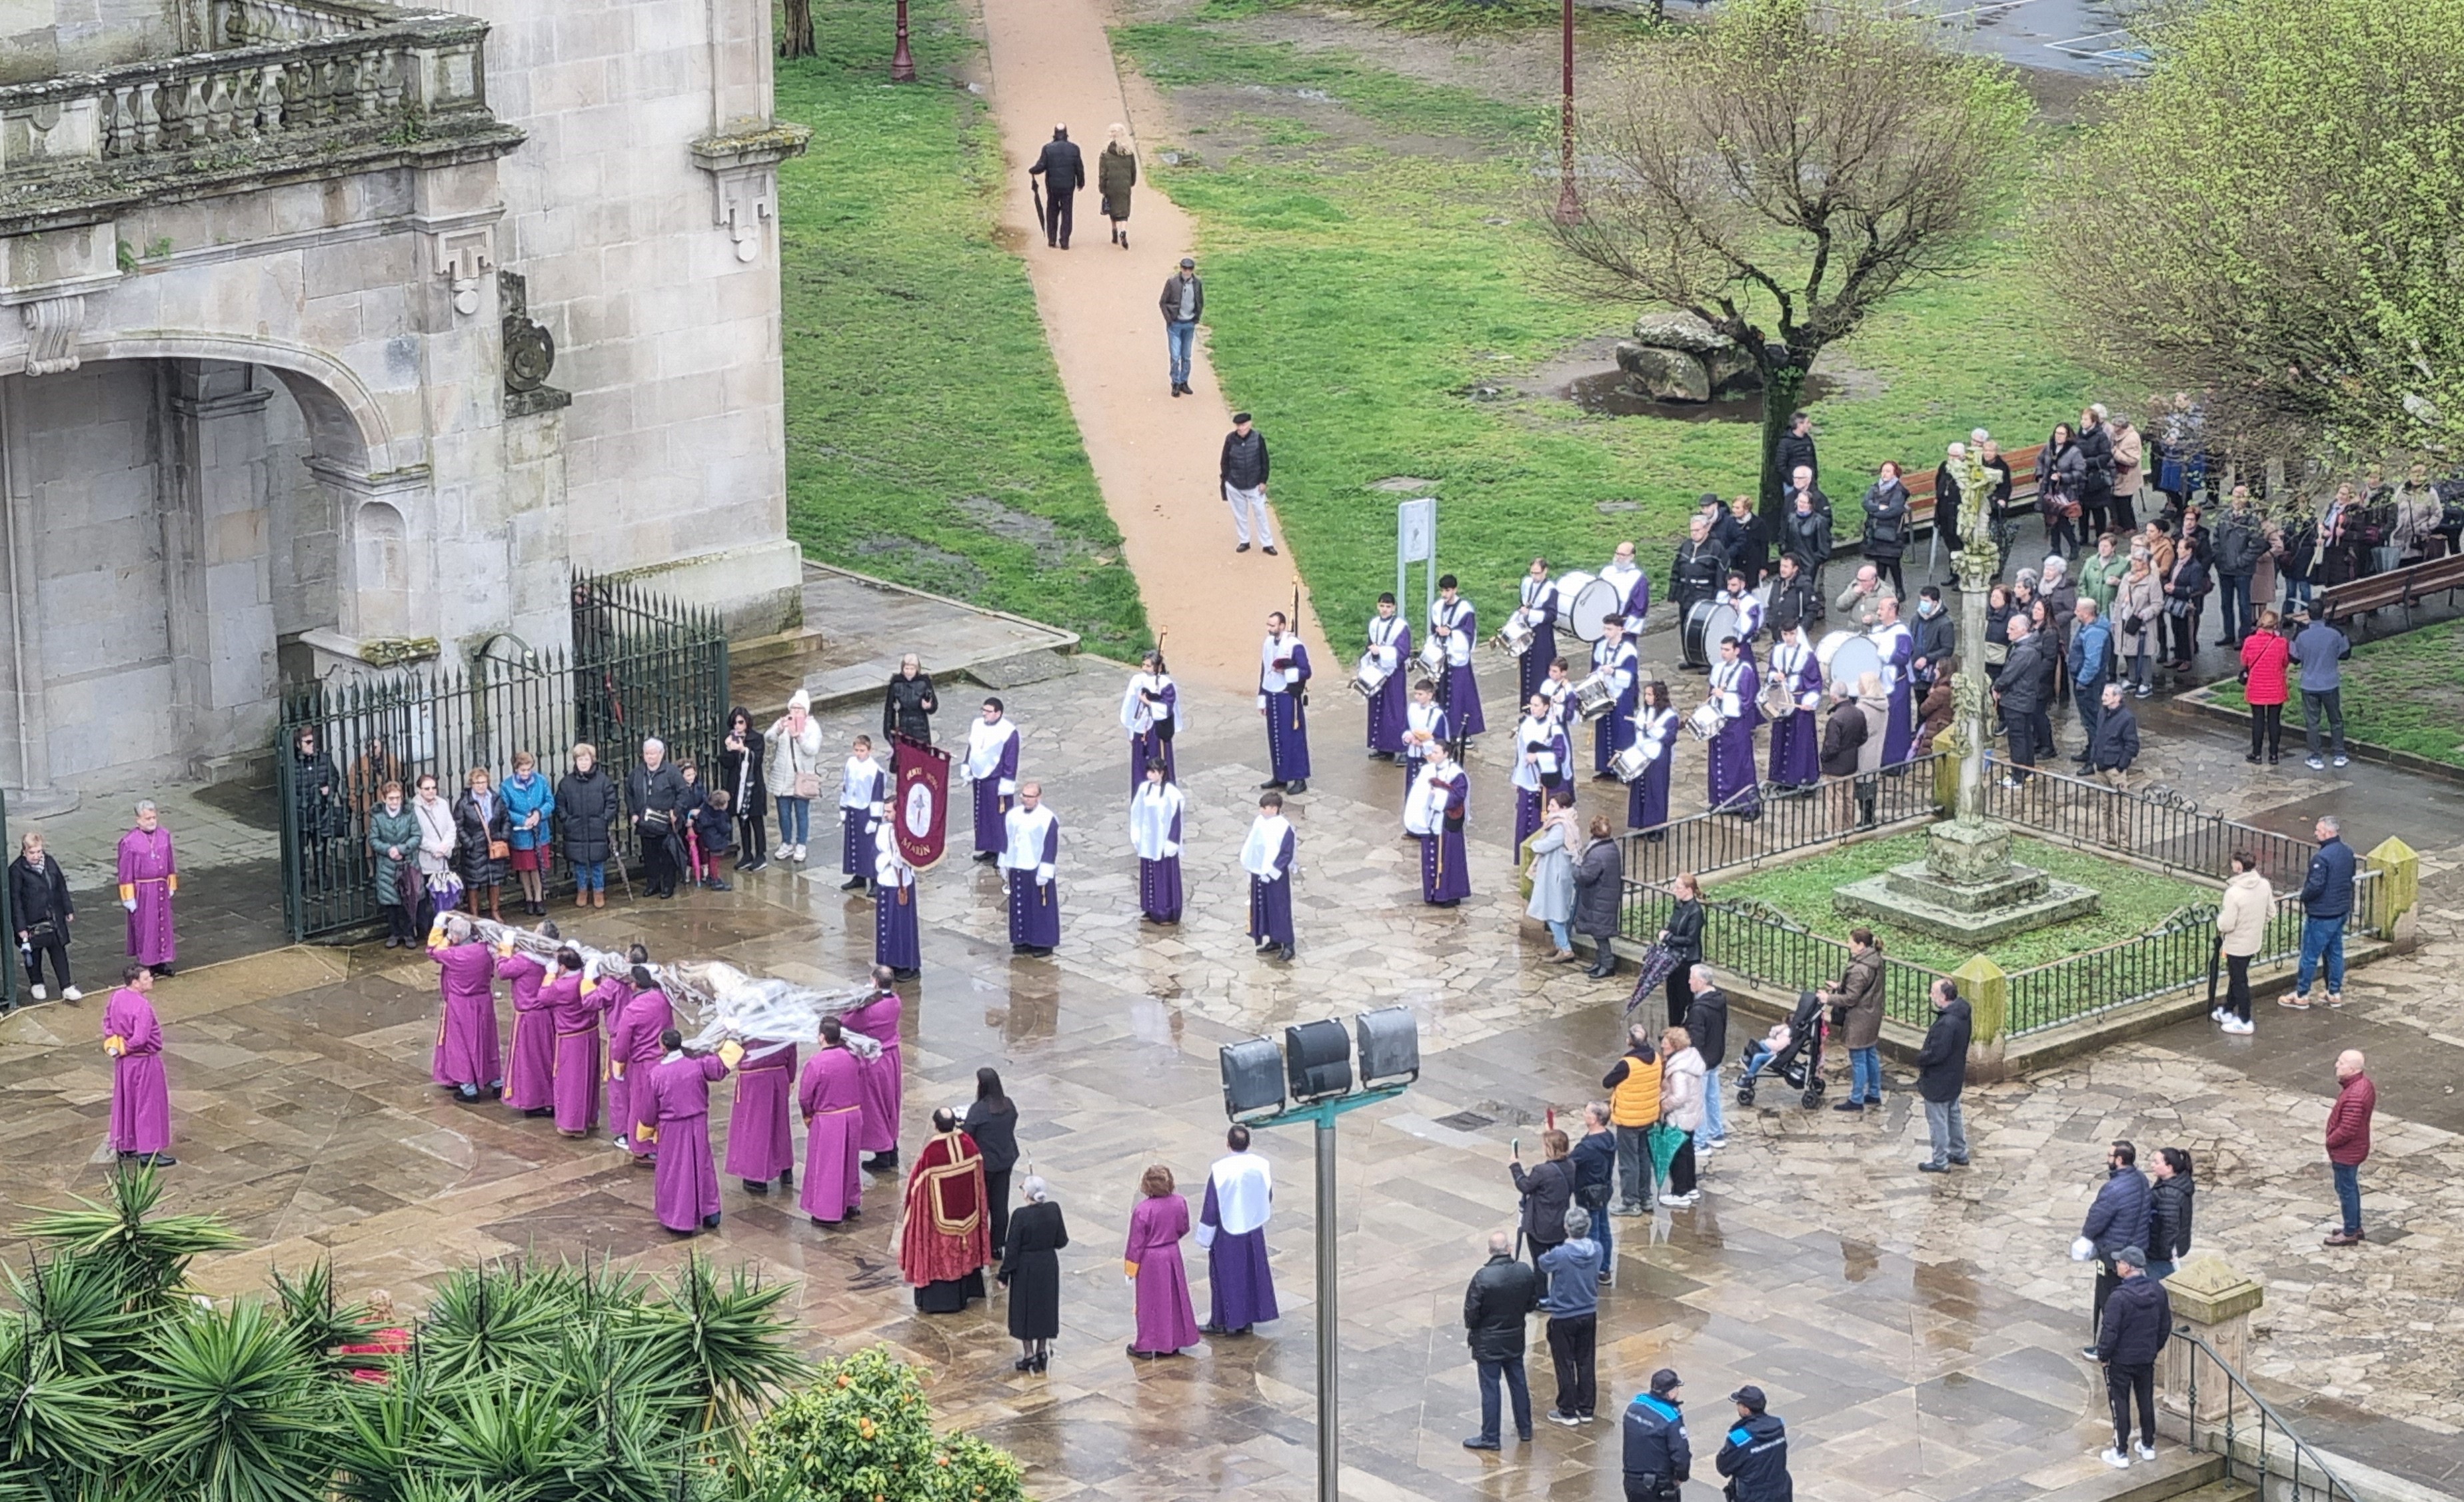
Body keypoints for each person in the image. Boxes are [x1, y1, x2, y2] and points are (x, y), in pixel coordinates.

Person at [898, 1107, 991, 1311]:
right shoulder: (969, 1145)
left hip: (940, 1225)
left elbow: (916, 1191)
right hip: (969, 1217)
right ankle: (968, 1290)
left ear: (935, 1126)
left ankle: (939, 1301)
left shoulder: (931, 1155)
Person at [646, 1029, 737, 1235]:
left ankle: (679, 1219)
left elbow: (649, 1108)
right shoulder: (697, 1065)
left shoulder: (657, 1074)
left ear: (663, 1047)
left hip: (672, 1129)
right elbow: (721, 1066)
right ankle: (711, 1212)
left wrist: (646, 1129)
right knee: (702, 1165)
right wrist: (734, 1039)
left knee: (676, 1171)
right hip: (698, 1125)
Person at [1461, 1229, 1541, 1450]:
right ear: (1509, 1248)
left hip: (1488, 1342)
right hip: (1514, 1337)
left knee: (1490, 1388)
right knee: (1518, 1383)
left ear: (1490, 1251)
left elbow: (1471, 1314)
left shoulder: (1483, 1278)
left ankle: (1490, 1437)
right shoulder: (1524, 1271)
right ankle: (1525, 1428)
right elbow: (1531, 1302)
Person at [2093, 1247, 2170, 1469]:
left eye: (2120, 1263)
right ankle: (2148, 1445)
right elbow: (2165, 1326)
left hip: (2121, 1360)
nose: (2117, 1265)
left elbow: (2110, 1332)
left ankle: (2120, 1451)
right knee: (2145, 1400)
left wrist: (2103, 1355)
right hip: (2145, 1357)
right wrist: (2153, 1349)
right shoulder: (2158, 1291)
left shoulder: (2118, 1298)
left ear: (2127, 1267)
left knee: (2120, 1404)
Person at [1198, 1125, 1279, 1336]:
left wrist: (1205, 1235)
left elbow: (1211, 1205)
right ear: (1248, 1144)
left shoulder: (1220, 1170)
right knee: (1251, 1273)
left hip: (1227, 1231)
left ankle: (1222, 1321)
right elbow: (1267, 1194)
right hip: (1253, 1229)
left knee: (1226, 1276)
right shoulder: (1261, 1165)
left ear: (1228, 1144)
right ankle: (1247, 1320)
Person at [2078, 1139, 2151, 1351]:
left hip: (2113, 1255)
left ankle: (2104, 1347)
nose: (2107, 1159)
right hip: (2136, 1249)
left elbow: (2097, 1218)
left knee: (2108, 1301)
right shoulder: (2141, 1179)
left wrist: (2086, 1238)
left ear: (2119, 1160)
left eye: (2110, 1156)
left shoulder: (2112, 1189)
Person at [1126, 1163, 1202, 1358]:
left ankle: (1147, 1344)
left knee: (1149, 1302)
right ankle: (1174, 1340)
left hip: (1151, 1259)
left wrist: (1131, 1269)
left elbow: (1136, 1243)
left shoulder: (1143, 1210)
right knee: (1174, 1298)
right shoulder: (1179, 1202)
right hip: (1172, 1253)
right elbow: (1183, 1227)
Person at [797, 1017, 866, 1227]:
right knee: (850, 1162)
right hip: (853, 1115)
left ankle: (826, 1212)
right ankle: (851, 1203)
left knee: (828, 1166)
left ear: (822, 1037)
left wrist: (808, 1115)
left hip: (829, 1120)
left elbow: (805, 1096)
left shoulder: (816, 1063)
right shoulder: (853, 1057)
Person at [426, 914, 502, 1103]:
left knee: (461, 1045)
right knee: (487, 1041)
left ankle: (469, 1088)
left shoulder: (453, 955)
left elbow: (433, 950)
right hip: (483, 1001)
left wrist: (441, 930)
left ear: (456, 937)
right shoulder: (485, 950)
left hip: (460, 1004)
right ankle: (496, 1081)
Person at [103, 963, 173, 1165]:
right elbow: (140, 1039)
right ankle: (148, 1151)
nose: (151, 980)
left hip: (124, 1063)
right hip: (143, 1061)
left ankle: (126, 1145)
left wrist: (115, 1046)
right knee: (148, 1104)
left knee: (126, 1102)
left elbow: (107, 1023)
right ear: (135, 982)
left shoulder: (117, 997)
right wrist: (126, 1047)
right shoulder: (142, 1006)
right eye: (146, 978)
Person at [998, 1175, 1068, 1373]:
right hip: (1048, 1265)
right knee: (1045, 1308)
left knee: (1025, 1311)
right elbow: (1062, 1241)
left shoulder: (1020, 1215)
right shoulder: (1054, 1209)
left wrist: (1004, 1275)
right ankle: (1042, 1351)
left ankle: (1029, 1355)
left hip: (1026, 1268)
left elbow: (1012, 1249)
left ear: (1027, 1195)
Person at [1539, 1205, 1601, 1426]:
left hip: (1564, 1314)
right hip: (1588, 1312)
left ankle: (1567, 1410)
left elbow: (1543, 1263)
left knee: (1564, 1363)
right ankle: (1586, 1408)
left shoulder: (1561, 1254)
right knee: (1586, 1361)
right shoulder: (1597, 1249)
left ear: (1567, 1227)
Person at [2289, 814, 2354, 1010]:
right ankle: (2334, 992)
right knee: (2335, 953)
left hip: (2322, 914)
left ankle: (2301, 995)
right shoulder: (2347, 852)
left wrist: (2304, 897)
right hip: (2340, 911)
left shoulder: (2322, 858)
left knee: (2310, 955)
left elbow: (2316, 886)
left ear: (2328, 832)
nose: (2315, 833)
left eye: (2318, 831)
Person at [607, 958, 670, 1159]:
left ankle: (644, 1146)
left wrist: (618, 1063)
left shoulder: (633, 1009)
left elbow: (622, 1041)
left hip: (643, 1064)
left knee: (642, 1105)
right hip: (663, 1059)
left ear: (634, 985)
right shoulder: (662, 999)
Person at [844, 966, 905, 1173]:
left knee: (875, 1105)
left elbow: (848, 1021)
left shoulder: (870, 1010)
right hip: (892, 1057)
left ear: (875, 982)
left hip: (875, 1061)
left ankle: (883, 1154)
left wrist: (857, 1002)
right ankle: (893, 1148)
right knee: (890, 1104)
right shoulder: (895, 1001)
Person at [724, 1031, 797, 1197]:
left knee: (754, 1127)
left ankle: (755, 1176)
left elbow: (731, 1050)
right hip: (779, 1075)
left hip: (753, 1081)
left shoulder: (745, 1024)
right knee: (780, 1125)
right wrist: (791, 1077)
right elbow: (792, 1049)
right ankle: (785, 1168)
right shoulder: (784, 1023)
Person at [1601, 1026, 1664, 1216]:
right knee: (1644, 1158)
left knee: (1628, 1162)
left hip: (1629, 1119)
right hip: (1648, 1116)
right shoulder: (1656, 1058)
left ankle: (1630, 1202)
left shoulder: (1627, 1064)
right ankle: (1646, 1198)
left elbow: (1607, 1082)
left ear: (1630, 1041)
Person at [496, 926, 557, 1118]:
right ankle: (549, 1098)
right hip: (546, 1015)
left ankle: (534, 1101)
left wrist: (506, 947)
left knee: (530, 1060)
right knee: (546, 1058)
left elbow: (503, 970)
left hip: (529, 1017)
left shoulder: (525, 960)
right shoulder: (552, 959)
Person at [1822, 928, 1885, 1111]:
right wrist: (1840, 986)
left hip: (1860, 1018)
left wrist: (1828, 998)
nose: (1849, 944)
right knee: (1870, 1053)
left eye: (1851, 942)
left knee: (1858, 1058)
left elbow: (1851, 998)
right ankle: (1874, 1093)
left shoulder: (1859, 969)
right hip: (1873, 1014)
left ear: (1861, 945)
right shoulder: (1876, 960)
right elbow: (1862, 988)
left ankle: (1856, 1099)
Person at [544, 948, 604, 1138]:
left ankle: (573, 1124)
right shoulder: (587, 979)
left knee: (572, 1082)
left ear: (563, 967)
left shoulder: (560, 986)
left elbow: (543, 996)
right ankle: (591, 1117)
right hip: (590, 1033)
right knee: (589, 1077)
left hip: (570, 1037)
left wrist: (550, 975)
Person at [11, 832, 77, 1002]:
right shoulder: (17, 870)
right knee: (33, 953)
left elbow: (61, 886)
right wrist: (20, 927)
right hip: (31, 921)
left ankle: (66, 986)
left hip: (53, 916)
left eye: (39, 851)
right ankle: (37, 983)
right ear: (24, 852)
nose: (36, 856)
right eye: (32, 852)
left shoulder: (50, 863)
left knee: (59, 951)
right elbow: (15, 901)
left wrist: (68, 909)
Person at [1000, 782, 1063, 958]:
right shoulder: (1013, 815)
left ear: (1039, 797)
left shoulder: (1047, 818)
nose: (1026, 800)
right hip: (1017, 865)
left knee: (1039, 906)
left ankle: (1043, 942)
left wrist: (1045, 871)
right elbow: (1007, 839)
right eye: (1024, 796)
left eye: (1030, 796)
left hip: (1036, 868)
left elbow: (1050, 846)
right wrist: (1003, 862)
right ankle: (1021, 939)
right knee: (1020, 903)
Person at [116, 801, 178, 978]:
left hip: (161, 886)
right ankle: (147, 962)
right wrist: (129, 897)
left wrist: (171, 883)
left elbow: (170, 860)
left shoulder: (164, 835)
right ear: (138, 820)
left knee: (162, 924)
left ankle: (161, 961)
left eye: (153, 817)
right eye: (147, 818)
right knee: (146, 927)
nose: (152, 821)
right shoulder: (129, 842)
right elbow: (125, 871)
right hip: (143, 890)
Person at [963, 1067, 1021, 1253]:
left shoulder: (979, 1110)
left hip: (984, 1164)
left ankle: (980, 1244)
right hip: (1005, 1160)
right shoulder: (1008, 1105)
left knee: (981, 1205)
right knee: (1000, 1205)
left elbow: (967, 1134)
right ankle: (997, 1245)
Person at [1915, 979, 1971, 1173]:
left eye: (1933, 993)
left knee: (1938, 1121)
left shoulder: (1947, 1023)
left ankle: (1940, 1161)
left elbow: (1937, 1053)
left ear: (1943, 997)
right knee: (1954, 1115)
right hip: (1954, 1075)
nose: (1931, 996)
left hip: (1938, 1079)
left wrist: (1921, 1058)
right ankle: (1959, 1152)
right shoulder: (1963, 1014)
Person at [2214, 852, 2271, 1036]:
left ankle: (2245, 1019)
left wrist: (2219, 922)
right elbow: (2271, 912)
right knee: (2237, 976)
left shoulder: (2234, 893)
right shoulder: (2264, 885)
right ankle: (2228, 1009)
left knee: (2239, 981)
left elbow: (2227, 924)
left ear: (2239, 866)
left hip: (2237, 944)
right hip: (2253, 941)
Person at [765, 690, 825, 864]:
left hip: (801, 778)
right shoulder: (784, 723)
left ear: (806, 711)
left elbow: (812, 750)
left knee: (801, 813)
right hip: (782, 778)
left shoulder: (813, 727)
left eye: (799, 709)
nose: (796, 712)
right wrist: (779, 729)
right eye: (793, 708)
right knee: (783, 814)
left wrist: (799, 737)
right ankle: (786, 842)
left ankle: (801, 843)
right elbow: (768, 738)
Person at [1408, 741, 1471, 906]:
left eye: (1436, 752)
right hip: (1430, 818)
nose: (1433, 755)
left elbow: (1459, 796)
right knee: (1431, 856)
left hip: (1447, 822)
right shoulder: (1428, 770)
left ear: (1446, 754)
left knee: (1449, 858)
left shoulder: (1456, 774)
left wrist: (1439, 795)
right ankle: (1432, 894)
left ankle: (1449, 895)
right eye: (1433, 752)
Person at [1255, 610, 1312, 792]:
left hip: (1287, 696)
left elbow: (1306, 671)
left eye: (1273, 625)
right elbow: (1265, 669)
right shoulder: (1268, 643)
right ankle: (1279, 775)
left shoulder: (1294, 645)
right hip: (1272, 694)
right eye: (1268, 625)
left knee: (1292, 737)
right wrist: (1262, 696)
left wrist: (1285, 672)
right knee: (1275, 736)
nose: (1269, 628)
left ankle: (1299, 779)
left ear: (1282, 626)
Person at [1995, 614, 2054, 787]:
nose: (2008, 631)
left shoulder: (2024, 652)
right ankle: (2027, 771)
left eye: (2012, 629)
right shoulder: (2029, 647)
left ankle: (2018, 776)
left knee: (2018, 739)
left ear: (2023, 630)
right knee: (2026, 736)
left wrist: (1997, 687)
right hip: (2024, 699)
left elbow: (2009, 675)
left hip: (2017, 700)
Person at [2323, 1049, 2375, 1246]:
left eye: (2342, 1063)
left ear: (2352, 1069)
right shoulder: (2363, 1085)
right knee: (2349, 1187)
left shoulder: (2355, 1095)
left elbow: (2347, 1129)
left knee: (2346, 1190)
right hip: (2354, 1148)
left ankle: (2350, 1231)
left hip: (2347, 1152)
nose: (2337, 1065)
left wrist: (2330, 1141)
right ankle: (2354, 1226)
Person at [1705, 637, 1762, 816]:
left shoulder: (1745, 671)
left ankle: (1747, 805)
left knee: (1740, 764)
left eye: (1727, 650)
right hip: (1719, 723)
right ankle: (1721, 801)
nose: (1723, 653)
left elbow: (1747, 701)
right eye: (1722, 649)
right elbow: (1711, 694)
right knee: (1718, 761)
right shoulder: (1718, 668)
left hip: (1736, 724)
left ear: (1737, 651)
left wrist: (1724, 697)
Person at [555, 744, 616, 908]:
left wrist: (604, 819)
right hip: (576, 829)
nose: (583, 763)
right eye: (580, 759)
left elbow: (612, 803)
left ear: (592, 760)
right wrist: (567, 820)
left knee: (597, 863)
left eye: (586, 759)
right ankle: (582, 890)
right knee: (580, 864)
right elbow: (560, 805)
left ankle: (598, 891)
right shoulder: (567, 783)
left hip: (596, 828)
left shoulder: (603, 781)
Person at [1510, 1129, 1578, 1271]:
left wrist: (1515, 1166)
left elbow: (1525, 1186)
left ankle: (1541, 1286)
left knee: (1539, 1266)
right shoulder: (1571, 1165)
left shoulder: (1542, 1171)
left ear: (1550, 1148)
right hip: (1560, 1224)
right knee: (1559, 1264)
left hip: (1540, 1226)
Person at [1126, 759, 1185, 925]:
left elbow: (1176, 819)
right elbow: (1137, 812)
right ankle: (1150, 908)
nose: (1150, 775)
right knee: (1149, 873)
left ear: (1162, 773)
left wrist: (1172, 841)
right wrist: (1137, 835)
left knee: (1164, 876)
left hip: (1163, 841)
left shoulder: (1172, 794)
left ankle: (1166, 911)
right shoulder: (1144, 789)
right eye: (1149, 771)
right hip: (1148, 840)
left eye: (1153, 772)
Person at [2290, 610, 2351, 769]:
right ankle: (2339, 753)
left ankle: (2316, 756)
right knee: (2336, 720)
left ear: (2309, 615)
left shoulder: (2301, 635)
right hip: (2330, 683)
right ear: (2323, 613)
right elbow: (2346, 653)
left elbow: (2293, 657)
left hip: (2309, 684)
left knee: (2312, 722)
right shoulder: (2335, 633)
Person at [964, 697, 1022, 863]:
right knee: (983, 816)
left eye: (988, 711)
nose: (984, 714)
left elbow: (1011, 760)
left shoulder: (1008, 732)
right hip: (980, 778)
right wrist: (967, 765)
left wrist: (1006, 783)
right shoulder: (977, 724)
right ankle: (989, 848)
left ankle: (1002, 852)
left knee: (998, 817)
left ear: (998, 713)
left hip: (996, 780)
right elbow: (972, 747)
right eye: (983, 710)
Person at [626, 740, 686, 899]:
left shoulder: (671, 772)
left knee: (666, 856)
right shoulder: (637, 773)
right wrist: (633, 813)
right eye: (647, 753)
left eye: (653, 753)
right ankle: (653, 884)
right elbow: (629, 793)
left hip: (665, 822)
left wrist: (676, 811)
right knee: (649, 856)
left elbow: (682, 792)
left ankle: (668, 885)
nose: (650, 756)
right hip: (645, 822)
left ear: (661, 754)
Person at [363, 782, 421, 947]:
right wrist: (389, 850)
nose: (395, 802)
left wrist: (402, 849)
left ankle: (409, 933)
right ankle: (394, 933)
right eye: (391, 798)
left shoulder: (409, 814)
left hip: (407, 861)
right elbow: (374, 839)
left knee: (408, 899)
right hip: (387, 864)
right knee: (390, 901)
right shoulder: (378, 817)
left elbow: (417, 835)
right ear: (384, 799)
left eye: (398, 798)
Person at [497, 752, 555, 917]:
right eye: (523, 770)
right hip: (521, 833)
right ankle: (528, 898)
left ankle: (539, 899)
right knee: (524, 868)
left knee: (537, 867)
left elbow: (550, 801)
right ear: (516, 769)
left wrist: (539, 814)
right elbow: (505, 809)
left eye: (529, 769)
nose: (526, 773)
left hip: (540, 832)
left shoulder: (541, 781)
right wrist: (523, 819)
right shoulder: (506, 786)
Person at [1243, 791, 1298, 962]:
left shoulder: (1284, 828)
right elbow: (1254, 844)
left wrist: (1272, 872)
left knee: (1279, 909)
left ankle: (1288, 945)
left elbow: (1286, 853)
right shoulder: (1260, 821)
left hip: (1276, 877)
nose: (1261, 811)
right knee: (1264, 907)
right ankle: (1274, 940)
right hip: (1259, 871)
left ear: (1274, 809)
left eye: (1264, 808)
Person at [1622, 1369, 1692, 1502]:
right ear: (1671, 1393)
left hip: (1632, 1480)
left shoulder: (1635, 1405)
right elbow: (1681, 1454)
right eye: (1677, 1388)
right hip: (1658, 1486)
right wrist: (1681, 1477)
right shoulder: (1671, 1418)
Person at [1681, 966, 1730, 1151]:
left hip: (1701, 1062)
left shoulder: (1698, 1010)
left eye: (1691, 978)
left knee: (1698, 1101)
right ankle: (1716, 1134)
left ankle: (1700, 1143)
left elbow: (1696, 1041)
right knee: (1712, 1096)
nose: (1689, 982)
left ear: (1701, 982)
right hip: (1715, 1055)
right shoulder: (1720, 1000)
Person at [1431, 574, 1486, 738]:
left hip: (1457, 658)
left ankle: (1464, 733)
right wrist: (1437, 632)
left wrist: (1450, 633)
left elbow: (1468, 635)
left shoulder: (1465, 610)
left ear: (1455, 590)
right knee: (1441, 694)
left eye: (1447, 591)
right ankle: (1443, 730)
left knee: (1461, 695)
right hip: (1442, 658)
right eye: (1442, 591)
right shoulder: (1438, 607)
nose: (1444, 595)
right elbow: (1433, 629)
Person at [453, 765, 511, 920]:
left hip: (494, 845)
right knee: (473, 883)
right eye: (477, 783)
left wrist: (503, 836)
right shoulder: (464, 803)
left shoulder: (496, 799)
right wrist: (468, 843)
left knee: (495, 880)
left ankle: (495, 911)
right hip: (474, 848)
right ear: (471, 783)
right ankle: (475, 915)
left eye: (483, 782)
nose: (481, 786)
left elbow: (506, 818)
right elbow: (458, 826)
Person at [2211, 484, 2267, 644]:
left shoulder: (2252, 519)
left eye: (2242, 496)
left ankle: (2244, 636)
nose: (2238, 499)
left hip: (2243, 570)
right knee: (2225, 604)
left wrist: (2241, 561)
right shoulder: (2224, 516)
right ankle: (2229, 634)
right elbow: (2215, 539)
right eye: (2236, 495)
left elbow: (2257, 544)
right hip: (2224, 569)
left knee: (2244, 604)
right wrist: (2219, 559)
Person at [1716, 1387, 1792, 1502]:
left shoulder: (1740, 1437)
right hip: (1780, 1492)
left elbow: (1724, 1467)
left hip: (1752, 1495)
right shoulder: (1778, 1425)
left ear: (1746, 1410)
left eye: (1739, 1404)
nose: (1737, 1407)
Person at [717, 708, 769, 874]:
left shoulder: (757, 738)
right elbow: (727, 764)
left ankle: (760, 855)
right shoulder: (732, 738)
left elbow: (757, 760)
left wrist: (742, 750)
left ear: (747, 722)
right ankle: (747, 854)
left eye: (741, 722)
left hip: (753, 787)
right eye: (735, 723)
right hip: (737, 786)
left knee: (756, 821)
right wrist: (728, 749)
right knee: (742, 821)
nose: (738, 726)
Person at [1658, 1026, 1705, 1207]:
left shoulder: (1678, 1069)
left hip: (1679, 1118)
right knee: (1688, 1152)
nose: (1663, 1046)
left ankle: (1680, 1193)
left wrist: (1663, 1106)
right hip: (1691, 1115)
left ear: (1675, 1045)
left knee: (1677, 1156)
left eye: (1666, 1043)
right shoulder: (1691, 1059)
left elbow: (1679, 1096)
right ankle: (1691, 1187)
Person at [1120, 648, 1182, 788]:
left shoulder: (1165, 683)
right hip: (1140, 728)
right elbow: (1130, 705)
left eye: (1148, 666)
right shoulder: (1137, 680)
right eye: (1143, 665)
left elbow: (1167, 708)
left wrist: (1149, 703)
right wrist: (1130, 730)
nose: (1144, 668)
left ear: (1158, 667)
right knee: (1140, 766)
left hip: (1157, 732)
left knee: (1158, 765)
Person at [1570, 1102, 1618, 1279]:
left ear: (1595, 1118)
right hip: (1603, 1190)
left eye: (1587, 1112)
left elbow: (1569, 1162)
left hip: (1587, 1193)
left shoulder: (1587, 1147)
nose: (1584, 1115)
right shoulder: (1609, 1138)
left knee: (1592, 1232)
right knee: (1604, 1229)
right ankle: (1604, 1268)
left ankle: (1592, 1269)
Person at [1590, 614, 1642, 776]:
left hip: (1621, 694)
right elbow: (1596, 666)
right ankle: (1605, 768)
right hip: (1604, 693)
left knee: (1622, 731)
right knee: (1604, 728)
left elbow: (1630, 676)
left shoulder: (1628, 651)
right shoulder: (1601, 646)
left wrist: (1613, 672)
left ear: (1621, 630)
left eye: (1610, 629)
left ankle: (1623, 770)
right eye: (1605, 628)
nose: (1606, 632)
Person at [1572, 815, 1623, 979]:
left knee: (1600, 934)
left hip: (1598, 898)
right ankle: (1600, 962)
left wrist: (1576, 868)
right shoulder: (1611, 847)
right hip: (1606, 896)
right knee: (1599, 932)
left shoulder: (1597, 854)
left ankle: (1607, 965)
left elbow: (1585, 876)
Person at [1363, 593, 1412, 758]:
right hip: (1377, 671)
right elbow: (1369, 645)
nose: (1385, 610)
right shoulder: (1374, 624)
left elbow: (1403, 651)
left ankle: (1403, 748)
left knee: (1395, 709)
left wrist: (1381, 652)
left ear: (1394, 608)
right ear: (1378, 606)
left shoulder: (1400, 626)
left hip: (1394, 674)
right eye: (1382, 606)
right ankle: (1383, 747)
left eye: (1388, 607)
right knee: (1378, 708)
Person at [838, 735, 888, 893]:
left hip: (867, 811)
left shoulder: (875, 770)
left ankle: (875, 880)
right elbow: (846, 785)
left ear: (869, 750)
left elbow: (877, 795)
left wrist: (874, 819)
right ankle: (858, 876)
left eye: (862, 750)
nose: (859, 754)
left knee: (869, 847)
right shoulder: (850, 763)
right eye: (857, 750)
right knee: (855, 844)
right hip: (853, 808)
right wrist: (843, 808)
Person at [872, 820, 920, 980]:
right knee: (886, 923)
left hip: (901, 883)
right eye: (885, 811)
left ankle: (906, 964)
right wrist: (889, 858)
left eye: (889, 811)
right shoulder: (883, 829)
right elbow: (875, 851)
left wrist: (900, 859)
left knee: (901, 925)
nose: (886, 815)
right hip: (886, 881)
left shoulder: (907, 828)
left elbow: (913, 854)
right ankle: (889, 960)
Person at [1222, 412, 1276, 555]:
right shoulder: (1230, 439)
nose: (1241, 428)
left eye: (1244, 425)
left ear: (1250, 424)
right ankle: (1244, 541)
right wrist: (1227, 480)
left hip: (1255, 485)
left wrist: (1263, 481)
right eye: (1238, 425)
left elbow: (1265, 461)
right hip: (1235, 484)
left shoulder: (1258, 439)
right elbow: (1225, 461)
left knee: (1261, 514)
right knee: (1240, 515)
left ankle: (1267, 544)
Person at [1629, 682, 1680, 835]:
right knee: (1641, 788)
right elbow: (1638, 731)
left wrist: (1654, 729)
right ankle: (1641, 824)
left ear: (1658, 696)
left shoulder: (1670, 716)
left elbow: (1670, 738)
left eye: (1650, 695)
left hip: (1659, 758)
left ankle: (1656, 828)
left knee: (1656, 791)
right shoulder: (1643, 712)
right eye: (1646, 694)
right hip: (1642, 755)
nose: (1647, 698)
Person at [1820, 679, 1869, 832]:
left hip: (1835, 768)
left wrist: (1823, 758)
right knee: (1849, 799)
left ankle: (1834, 831)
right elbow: (1863, 737)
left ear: (1834, 698)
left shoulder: (1836, 719)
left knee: (1835, 801)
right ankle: (1849, 827)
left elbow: (1832, 747)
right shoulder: (1858, 713)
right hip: (1851, 765)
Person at [1512, 557, 1562, 706]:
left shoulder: (1550, 589)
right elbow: (1523, 604)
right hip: (1526, 630)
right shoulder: (1527, 583)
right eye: (1532, 573)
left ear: (1545, 571)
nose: (1535, 576)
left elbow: (1551, 615)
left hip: (1542, 635)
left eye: (1538, 573)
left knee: (1539, 671)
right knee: (1525, 669)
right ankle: (1527, 706)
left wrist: (1531, 614)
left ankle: (1541, 706)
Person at [2066, 600, 2111, 752]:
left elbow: (2092, 662)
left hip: (2089, 684)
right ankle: (2091, 749)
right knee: (2089, 719)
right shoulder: (2089, 628)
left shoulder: (2094, 633)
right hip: (2087, 682)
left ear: (2086, 613)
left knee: (2092, 720)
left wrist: (2082, 681)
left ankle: (2096, 754)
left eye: (2078, 610)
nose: (2075, 613)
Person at [1860, 461, 1911, 595]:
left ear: (1895, 474)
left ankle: (1899, 590)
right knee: (1879, 562)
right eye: (1883, 471)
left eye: (1888, 471)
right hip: (1876, 531)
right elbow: (1866, 503)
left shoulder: (1898, 491)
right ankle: (1880, 590)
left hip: (1891, 532)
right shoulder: (1875, 487)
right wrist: (1879, 508)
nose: (1885, 474)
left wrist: (1874, 512)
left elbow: (1893, 511)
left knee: (1893, 563)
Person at [1028, 123, 1082, 248]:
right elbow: (1079, 168)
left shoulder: (1048, 148)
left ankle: (1052, 239)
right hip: (1068, 186)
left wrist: (1032, 170)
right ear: (1066, 134)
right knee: (1067, 212)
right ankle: (1065, 241)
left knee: (1052, 211)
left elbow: (1041, 166)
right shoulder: (1074, 149)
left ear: (1055, 134)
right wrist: (1081, 182)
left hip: (1053, 186)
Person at [2145, 1148, 2195, 1281]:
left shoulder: (2169, 1194)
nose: (2152, 1165)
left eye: (2157, 1162)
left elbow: (2170, 1227)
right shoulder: (2178, 1183)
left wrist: (2165, 1254)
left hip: (2160, 1256)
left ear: (2169, 1168)